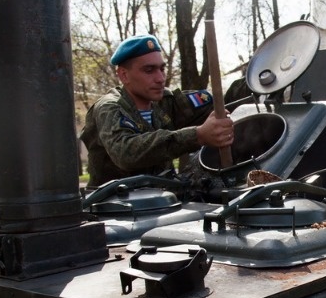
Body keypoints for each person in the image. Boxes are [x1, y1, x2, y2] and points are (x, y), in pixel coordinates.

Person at [80, 34, 235, 187]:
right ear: (124, 75)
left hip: (165, 197)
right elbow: (126, 153)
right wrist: (198, 135)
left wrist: (248, 86)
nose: (160, 78)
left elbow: (221, 103)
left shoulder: (164, 102)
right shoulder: (109, 108)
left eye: (162, 69)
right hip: (115, 200)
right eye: (149, 70)